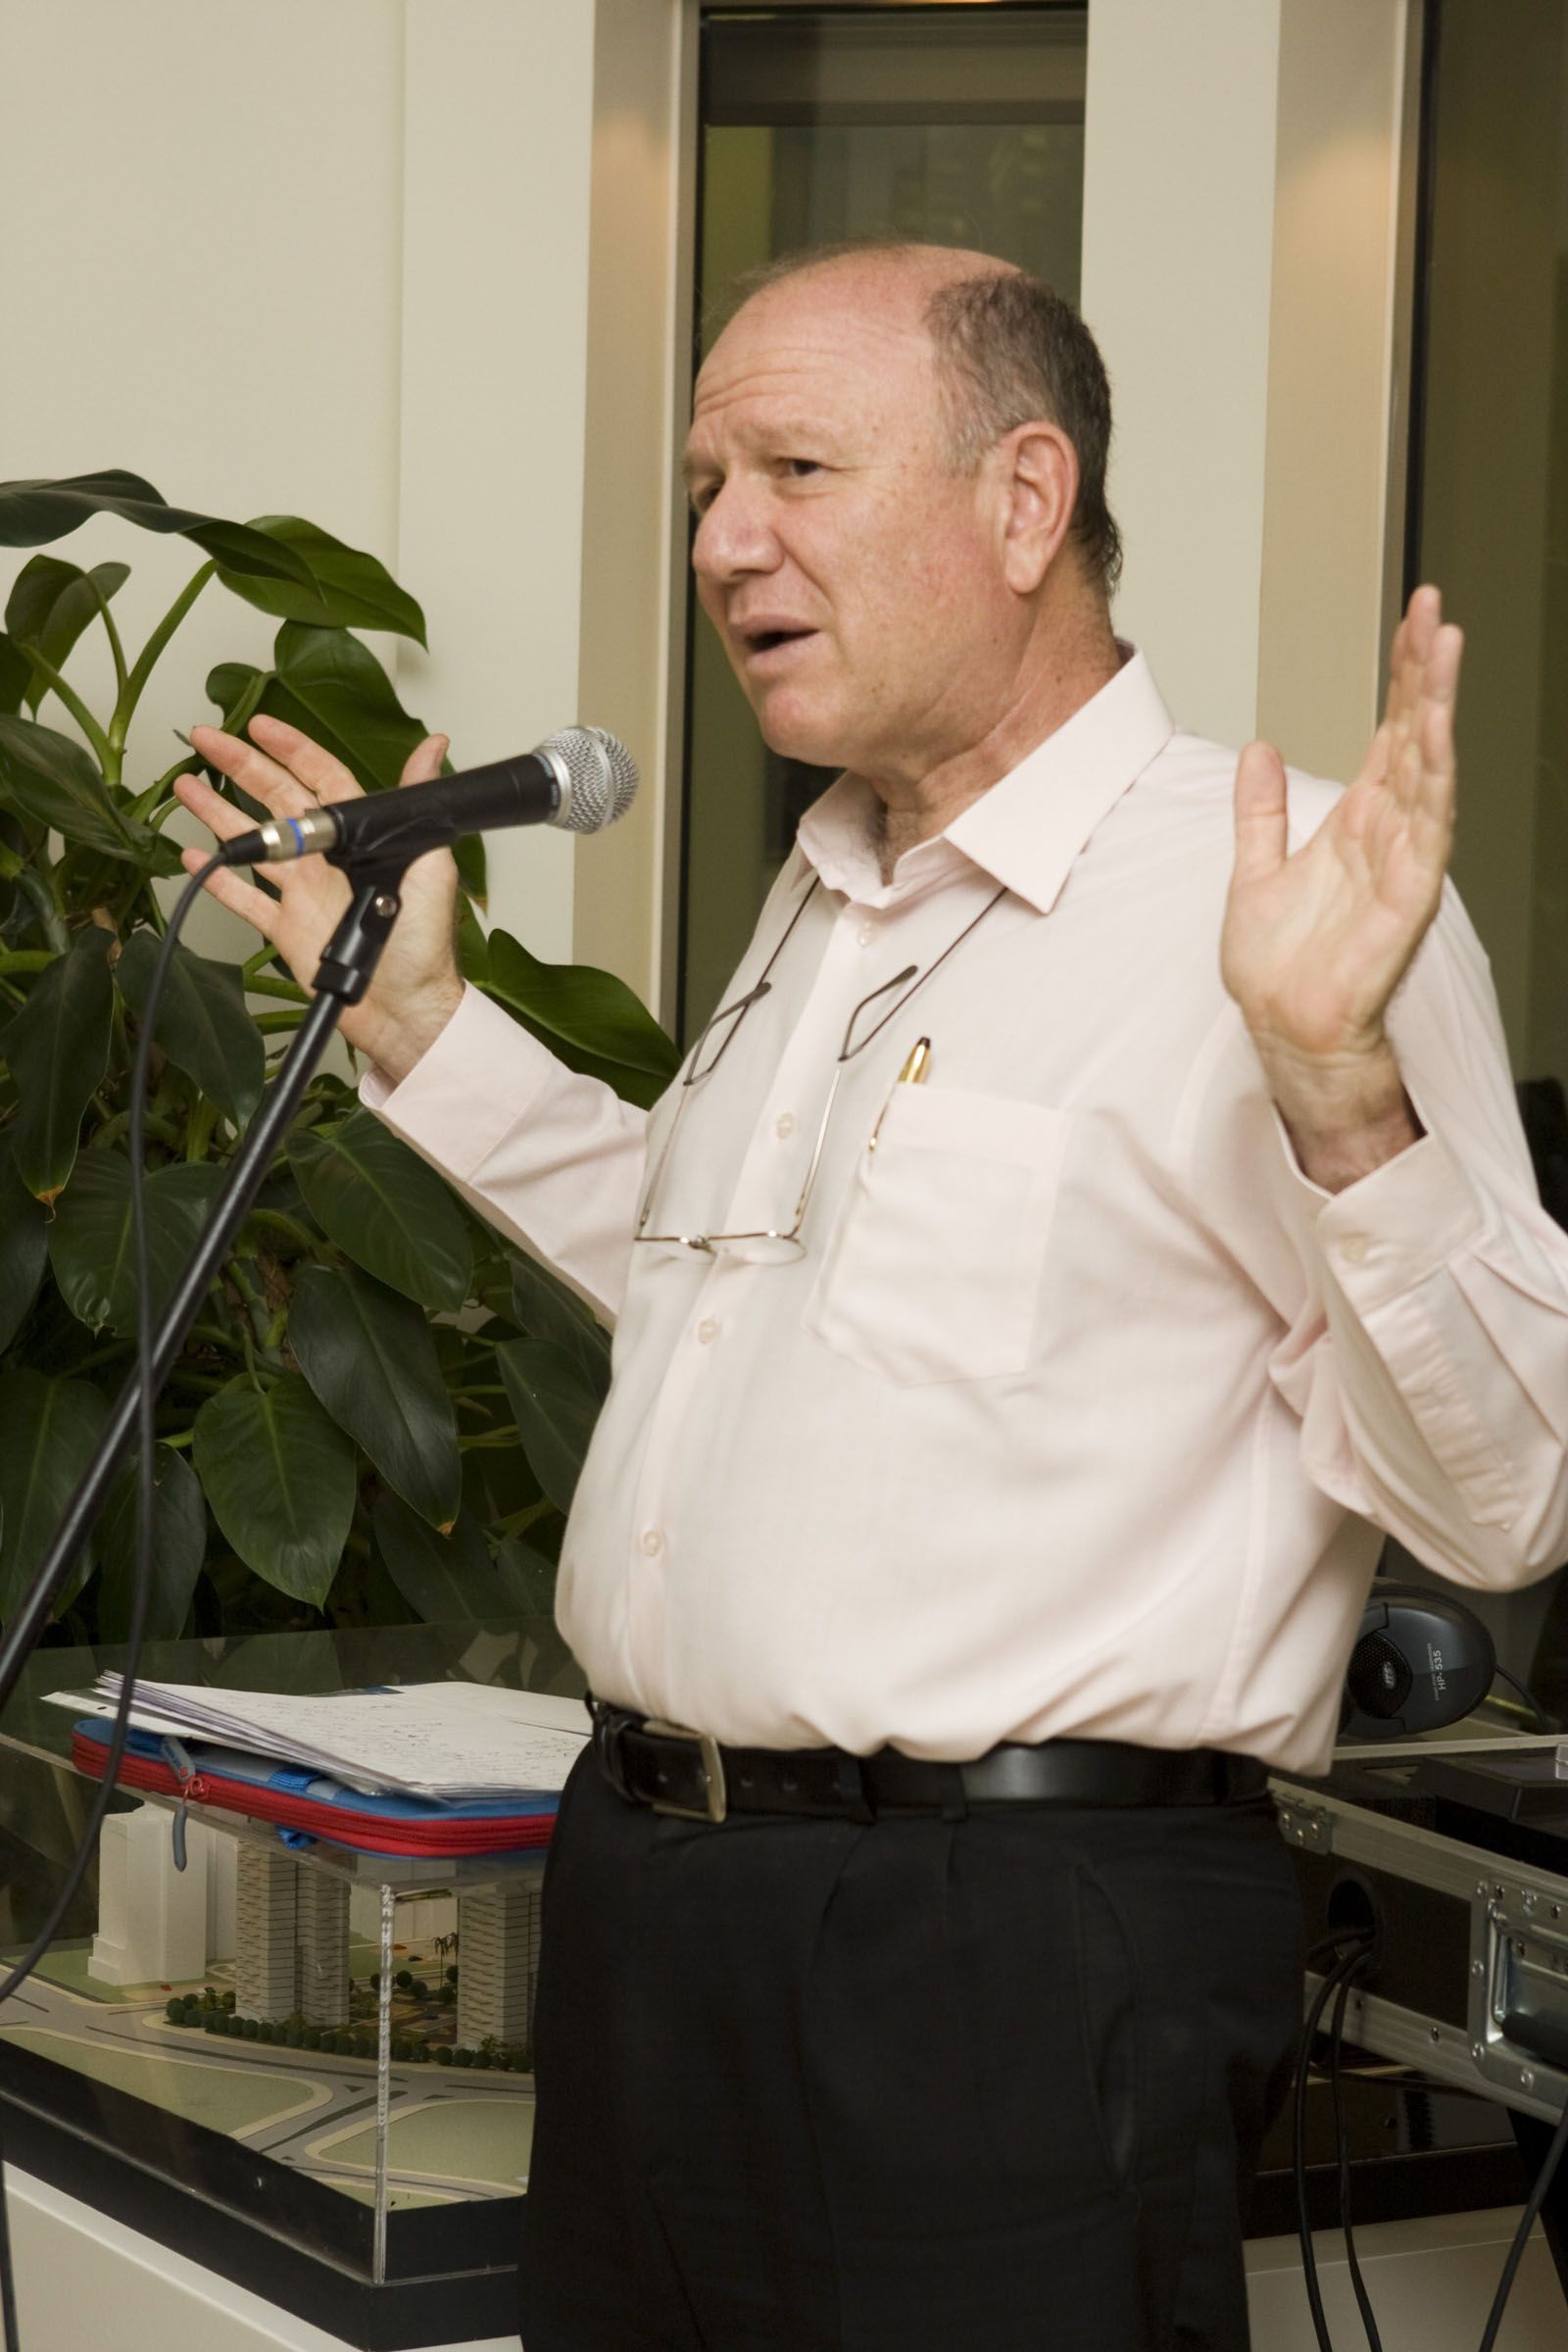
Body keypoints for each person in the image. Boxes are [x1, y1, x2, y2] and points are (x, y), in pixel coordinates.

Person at [175, 244, 1568, 2352]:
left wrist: (1338, 1094)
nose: (725, 542)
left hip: (997, 1960)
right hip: (660, 1916)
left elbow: (1507, 1500)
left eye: (798, 470)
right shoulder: (831, 888)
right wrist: (424, 1032)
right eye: (705, 486)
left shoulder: (1283, 905)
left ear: (1024, 500)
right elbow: (726, 1287)